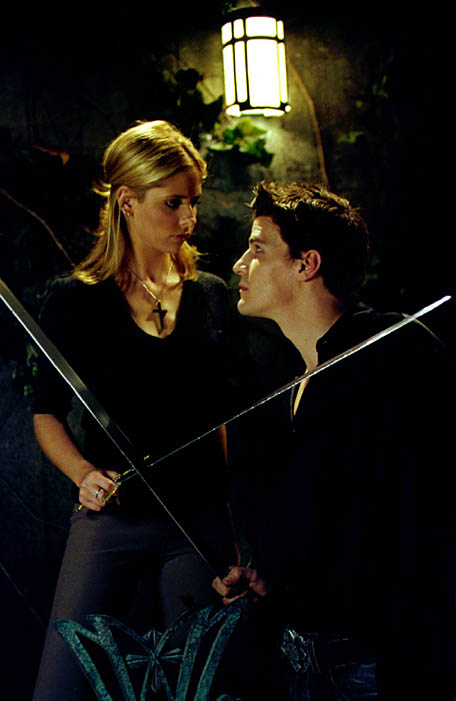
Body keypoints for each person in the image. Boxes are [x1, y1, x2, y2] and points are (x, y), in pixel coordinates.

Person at [213, 181, 455, 699]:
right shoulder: (296, 386)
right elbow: (329, 520)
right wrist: (272, 581)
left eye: (258, 249)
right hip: (303, 667)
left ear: (307, 264)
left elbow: (423, 511)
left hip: (377, 670)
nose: (239, 265)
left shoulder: (392, 349)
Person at [32, 120, 237, 700]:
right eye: (173, 203)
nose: (188, 217)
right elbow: (47, 414)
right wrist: (83, 475)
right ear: (127, 201)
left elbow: (221, 419)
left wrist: (231, 531)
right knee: (60, 685)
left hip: (195, 521)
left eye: (193, 202)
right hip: (113, 515)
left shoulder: (211, 294)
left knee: (196, 686)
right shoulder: (73, 299)